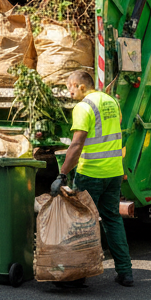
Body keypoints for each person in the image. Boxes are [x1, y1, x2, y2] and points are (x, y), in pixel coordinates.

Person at [54, 69, 134, 287]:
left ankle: (78, 276)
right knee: (113, 219)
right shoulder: (111, 102)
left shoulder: (83, 107)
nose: (68, 91)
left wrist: (62, 174)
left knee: (81, 223)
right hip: (114, 172)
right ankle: (125, 272)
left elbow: (77, 144)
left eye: (70, 86)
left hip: (90, 173)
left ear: (81, 86)